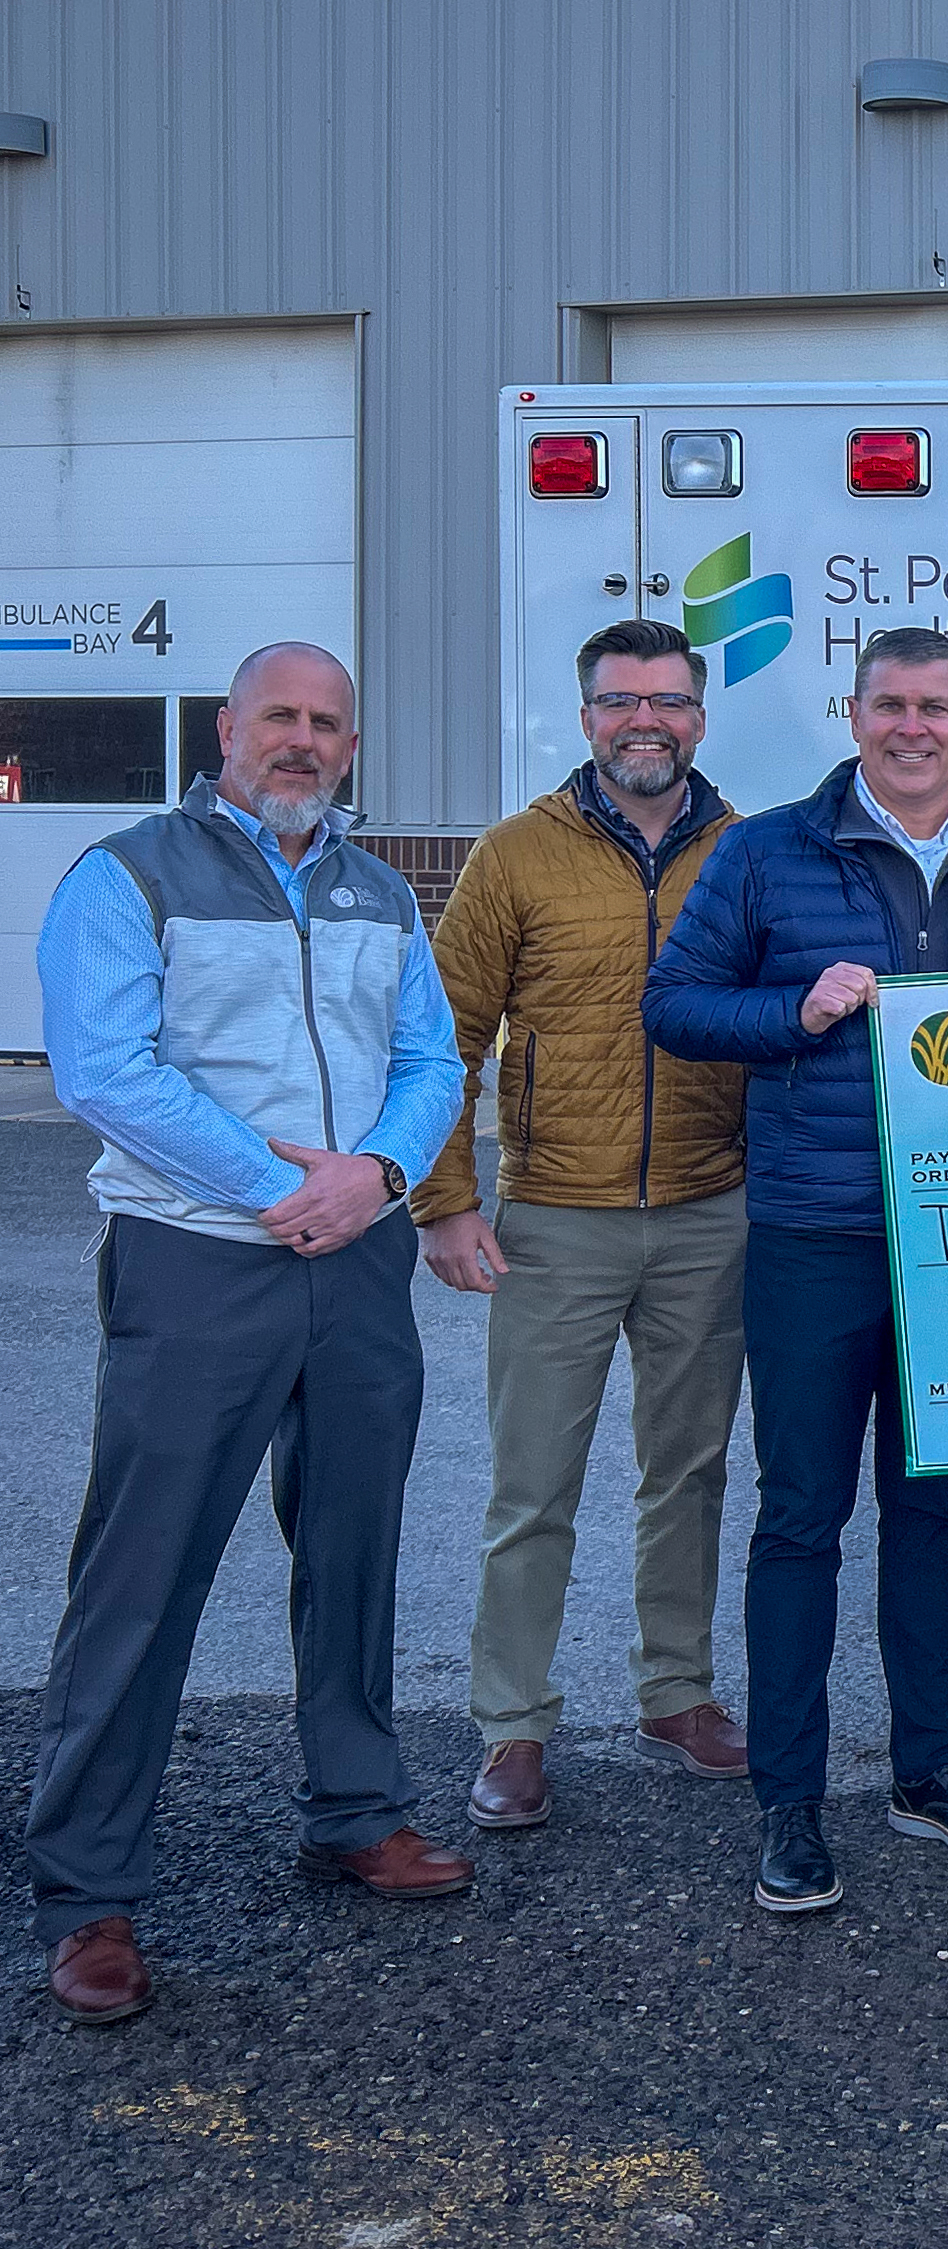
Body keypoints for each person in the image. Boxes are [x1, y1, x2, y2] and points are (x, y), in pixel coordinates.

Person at [27, 641, 472, 2025]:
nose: (300, 741)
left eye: (325, 724)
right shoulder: (126, 874)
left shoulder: (380, 891)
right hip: (196, 1262)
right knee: (141, 1569)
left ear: (351, 747)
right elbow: (106, 1068)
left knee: (354, 1550)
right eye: (277, 715)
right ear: (225, 727)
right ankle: (89, 1890)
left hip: (358, 1261)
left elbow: (433, 1063)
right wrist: (284, 1185)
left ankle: (355, 1807)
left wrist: (379, 1177)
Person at [645, 626, 948, 1915]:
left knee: (937, 1513)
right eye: (890, 705)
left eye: (936, 707)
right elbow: (674, 1003)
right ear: (856, 709)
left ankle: (929, 1770)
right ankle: (791, 1795)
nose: (913, 727)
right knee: (800, 1517)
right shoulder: (769, 849)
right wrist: (798, 1012)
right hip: (815, 1233)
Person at [420, 618, 752, 1832]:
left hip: (713, 1209)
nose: (645, 720)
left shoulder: (748, 849)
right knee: (533, 1482)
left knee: (693, 1469)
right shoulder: (514, 855)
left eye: (667, 700)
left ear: (701, 718)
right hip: (556, 1216)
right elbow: (441, 1039)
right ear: (586, 717)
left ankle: (677, 1691)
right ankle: (514, 1723)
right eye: (621, 701)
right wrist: (445, 1199)